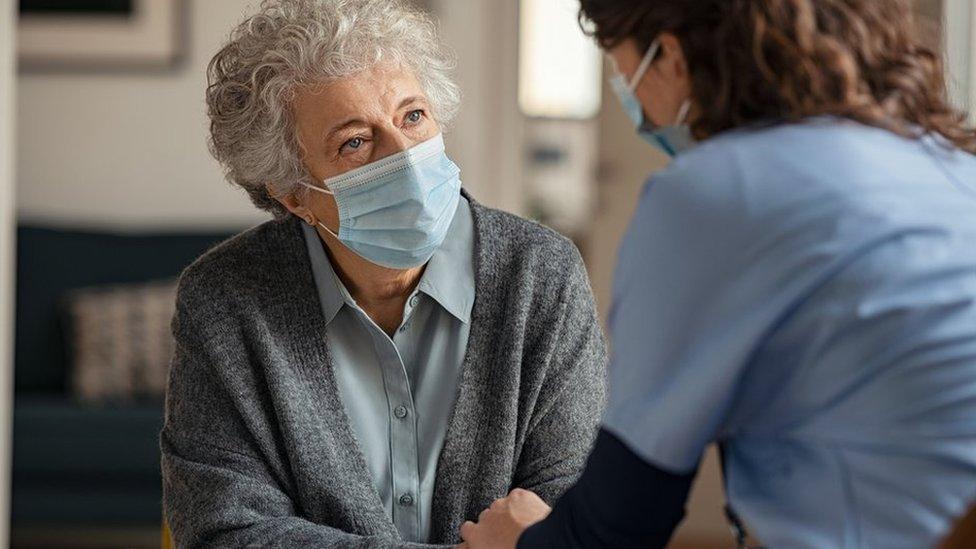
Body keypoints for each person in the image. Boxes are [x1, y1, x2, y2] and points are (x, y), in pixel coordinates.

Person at [460, 0, 976, 547]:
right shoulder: (947, 164)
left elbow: (617, 526)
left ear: (672, 58)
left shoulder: (716, 191)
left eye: (621, 67)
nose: (631, 97)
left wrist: (517, 540)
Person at [159, 1, 607, 546]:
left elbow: (575, 515)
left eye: (413, 116)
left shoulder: (543, 277)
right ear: (295, 194)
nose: (406, 157)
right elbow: (225, 533)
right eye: (355, 142)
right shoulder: (225, 300)